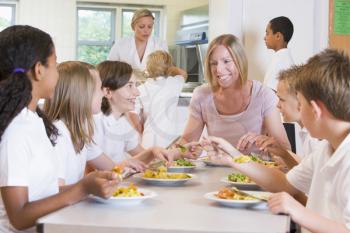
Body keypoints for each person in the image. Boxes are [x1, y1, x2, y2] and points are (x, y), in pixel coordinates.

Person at [208, 49, 350, 233]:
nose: (299, 108)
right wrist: (233, 157)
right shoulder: (327, 148)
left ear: (315, 110)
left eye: (300, 102)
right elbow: (284, 183)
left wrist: (297, 211)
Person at [0, 25, 119, 232]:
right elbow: (18, 216)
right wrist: (82, 189)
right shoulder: (15, 131)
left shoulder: (35, 120)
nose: (58, 74)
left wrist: (90, 184)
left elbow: (45, 192)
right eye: (55, 65)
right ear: (39, 70)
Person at [180, 34, 290, 155]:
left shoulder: (264, 95)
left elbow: (285, 150)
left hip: (256, 171)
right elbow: (186, 141)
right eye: (214, 63)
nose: (219, 69)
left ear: (240, 61)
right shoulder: (202, 95)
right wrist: (176, 152)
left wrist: (266, 142)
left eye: (226, 61)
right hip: (216, 169)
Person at [44, 61, 145, 185]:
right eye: (99, 89)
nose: (104, 93)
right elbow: (56, 194)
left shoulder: (81, 132)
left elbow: (112, 168)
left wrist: (121, 166)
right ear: (81, 94)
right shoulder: (58, 135)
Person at [88, 60, 179, 165]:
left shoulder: (121, 121)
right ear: (108, 92)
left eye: (135, 85)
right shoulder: (94, 124)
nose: (137, 92)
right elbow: (93, 171)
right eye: (130, 86)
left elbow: (144, 156)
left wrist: (180, 152)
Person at [255, 65, 324, 170]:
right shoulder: (306, 133)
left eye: (281, 99)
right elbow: (305, 175)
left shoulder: (315, 140)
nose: (277, 105)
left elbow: (309, 182)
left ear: (301, 100)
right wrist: (284, 154)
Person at [137, 50, 187, 148]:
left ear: (148, 67)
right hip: (172, 143)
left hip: (149, 142)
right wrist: (169, 68)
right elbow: (183, 73)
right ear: (170, 67)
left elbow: (135, 120)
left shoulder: (140, 89)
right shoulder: (176, 82)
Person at [263, 16, 294, 91]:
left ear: (278, 36)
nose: (264, 38)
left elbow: (270, 95)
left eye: (267, 33)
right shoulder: (281, 59)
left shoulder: (280, 63)